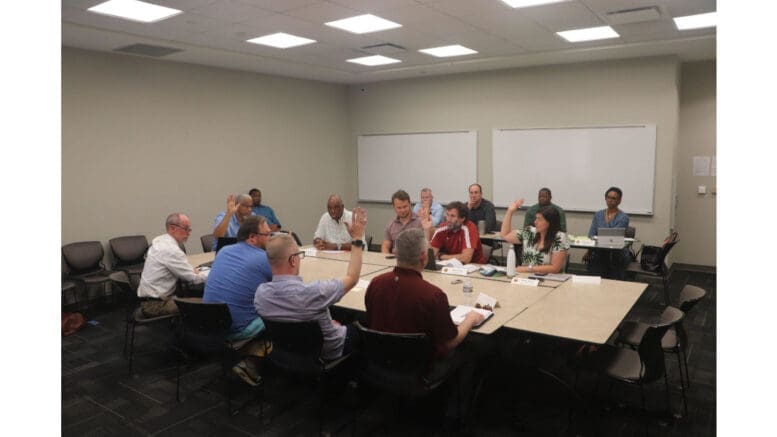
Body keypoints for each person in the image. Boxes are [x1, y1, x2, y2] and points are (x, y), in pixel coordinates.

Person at [366, 228, 485, 424]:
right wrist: (470, 320)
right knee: (472, 347)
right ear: (424, 258)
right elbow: (449, 342)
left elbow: (371, 323)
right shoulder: (432, 295)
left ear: (396, 253)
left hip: (380, 363)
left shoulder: (376, 284)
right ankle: (455, 417)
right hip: (420, 369)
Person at [256, 207, 368, 361]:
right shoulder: (315, 292)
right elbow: (353, 277)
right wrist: (357, 239)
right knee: (360, 327)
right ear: (294, 259)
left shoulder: (261, 295)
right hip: (328, 352)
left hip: (286, 350)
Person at [137, 213, 208, 316]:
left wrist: (189, 269)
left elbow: (179, 267)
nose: (189, 233)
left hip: (150, 299)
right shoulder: (171, 250)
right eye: (186, 228)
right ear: (172, 228)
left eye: (189, 229)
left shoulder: (160, 240)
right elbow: (194, 279)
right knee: (206, 305)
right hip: (156, 304)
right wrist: (215, 274)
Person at [500, 199, 570, 274]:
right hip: (525, 277)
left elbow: (555, 268)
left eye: (539, 219)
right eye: (536, 218)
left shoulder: (559, 238)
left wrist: (528, 269)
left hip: (548, 279)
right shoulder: (530, 232)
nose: (535, 222)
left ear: (549, 222)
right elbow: (505, 235)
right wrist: (510, 212)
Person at [583, 187, 631, 279]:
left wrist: (599, 237)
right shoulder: (598, 214)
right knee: (593, 263)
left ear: (619, 201)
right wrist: (589, 252)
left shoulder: (623, 217)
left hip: (616, 253)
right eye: (608, 197)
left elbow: (612, 237)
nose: (610, 200)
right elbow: (591, 235)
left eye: (613, 198)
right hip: (599, 252)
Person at [381, 189, 423, 254]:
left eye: (405, 206)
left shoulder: (420, 222)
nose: (402, 210)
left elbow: (423, 247)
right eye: (399, 208)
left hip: (413, 259)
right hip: (395, 259)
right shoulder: (391, 224)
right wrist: (386, 257)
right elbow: (385, 245)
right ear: (394, 207)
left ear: (409, 204)